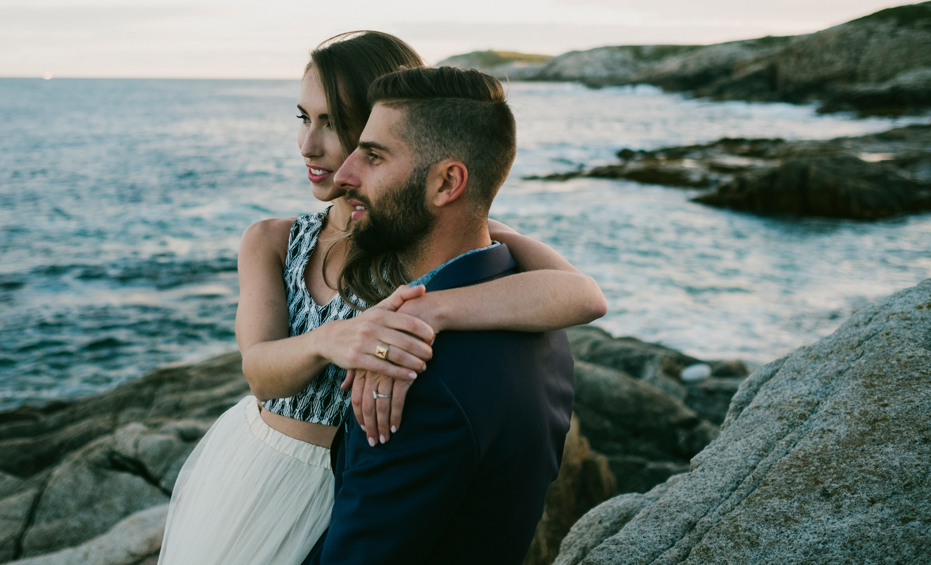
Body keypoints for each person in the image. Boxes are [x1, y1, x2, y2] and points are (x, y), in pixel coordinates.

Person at [158, 33, 605, 565]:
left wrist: (427, 311)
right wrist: (334, 340)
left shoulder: (425, 234)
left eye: (335, 124)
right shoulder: (273, 240)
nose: (310, 145)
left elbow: (582, 295)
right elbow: (259, 370)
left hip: (359, 486)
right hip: (258, 469)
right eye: (304, 118)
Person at [303, 65, 575, 565]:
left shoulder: (405, 375)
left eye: (373, 155)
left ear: (447, 182)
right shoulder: (533, 314)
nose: (344, 175)